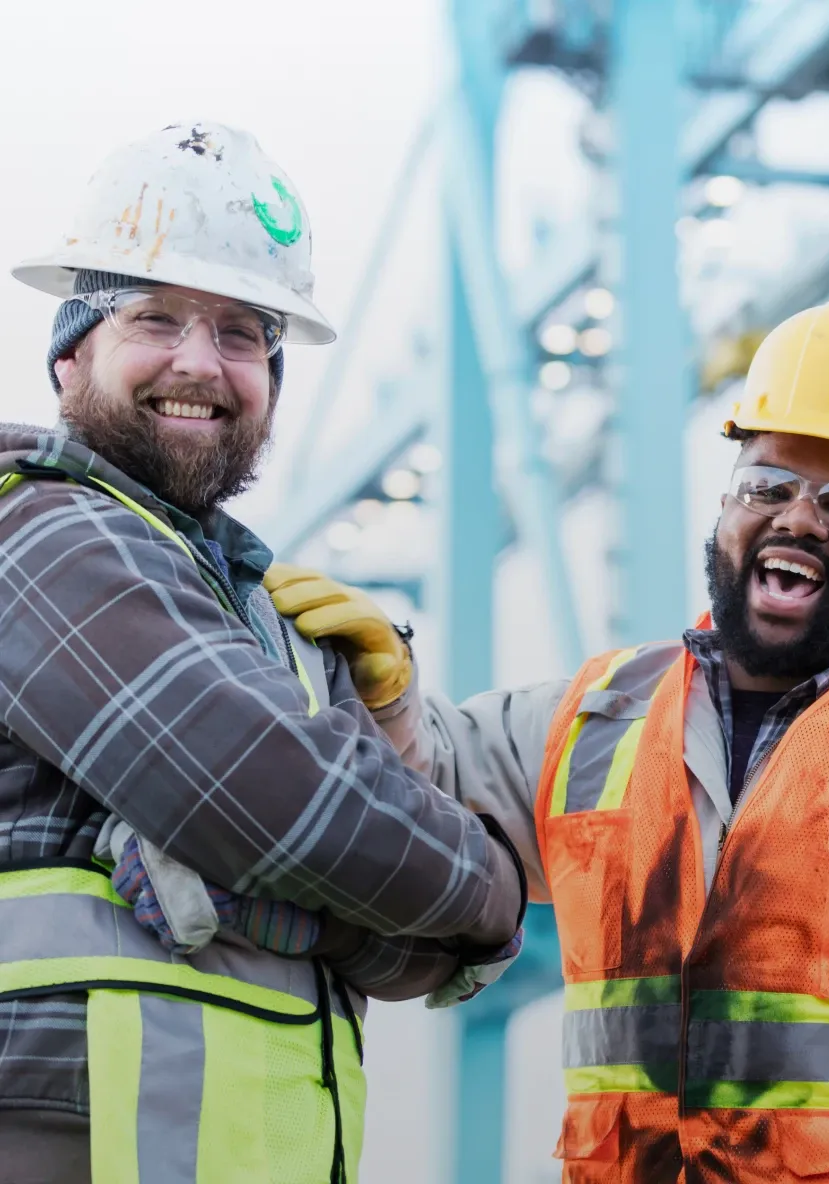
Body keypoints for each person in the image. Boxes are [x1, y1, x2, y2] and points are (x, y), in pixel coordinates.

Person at [272, 299, 829, 1182]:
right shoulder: (599, 718)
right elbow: (426, 785)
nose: (797, 520)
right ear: (726, 506)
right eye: (767, 486)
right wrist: (389, 698)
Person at [0, 120, 525, 1184]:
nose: (201, 362)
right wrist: (498, 882)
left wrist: (294, 900)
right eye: (154, 317)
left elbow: (402, 949)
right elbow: (276, 795)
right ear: (71, 351)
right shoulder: (38, 529)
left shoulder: (243, 601)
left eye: (242, 332)